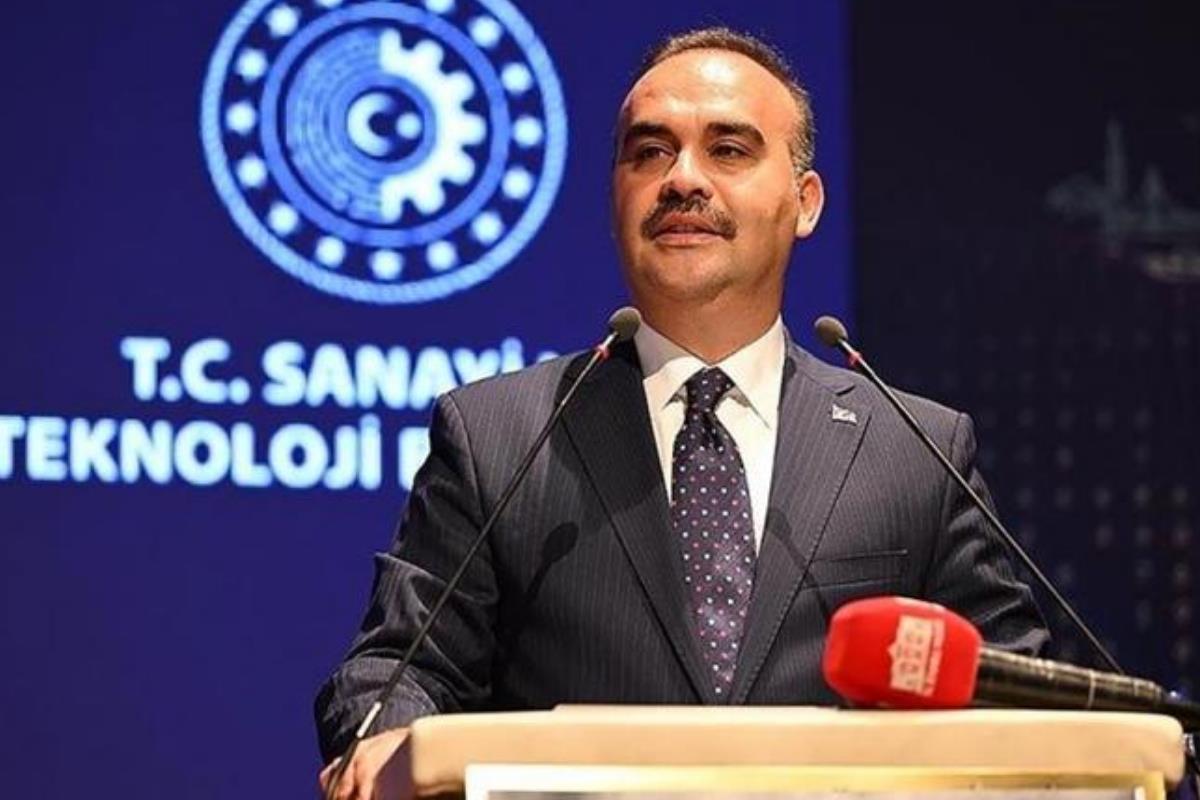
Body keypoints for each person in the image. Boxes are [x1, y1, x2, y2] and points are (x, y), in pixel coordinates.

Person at [316, 27, 1048, 799]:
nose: (682, 179)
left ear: (805, 203)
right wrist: (385, 732)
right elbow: (398, 668)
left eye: (727, 150)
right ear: (615, 197)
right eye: (649, 152)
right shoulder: (499, 437)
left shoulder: (914, 449)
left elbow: (1017, 692)